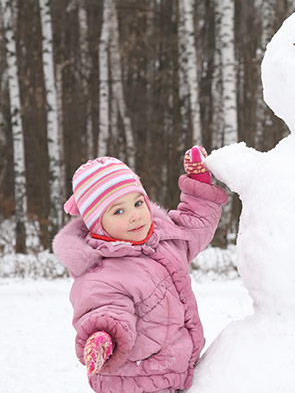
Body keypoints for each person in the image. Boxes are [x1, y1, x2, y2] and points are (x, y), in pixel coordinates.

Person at [53, 146, 228, 393]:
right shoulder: (100, 272)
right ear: (96, 224)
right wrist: (104, 337)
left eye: (137, 203)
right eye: (119, 211)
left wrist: (199, 183)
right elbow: (104, 309)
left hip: (176, 372)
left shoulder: (163, 239)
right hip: (135, 383)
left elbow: (194, 225)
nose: (135, 216)